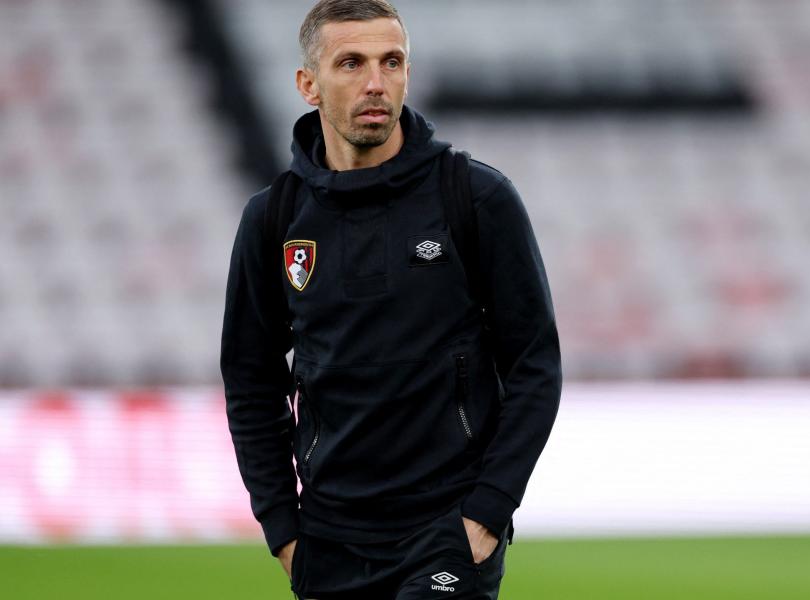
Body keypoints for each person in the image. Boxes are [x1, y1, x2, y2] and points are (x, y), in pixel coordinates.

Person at [220, 1, 561, 598]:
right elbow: (251, 381)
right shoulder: (272, 219)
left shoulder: (475, 197)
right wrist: (282, 530)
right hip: (329, 539)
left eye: (391, 62)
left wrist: (488, 510)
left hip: (445, 529)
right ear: (309, 85)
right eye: (351, 63)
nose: (376, 82)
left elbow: (535, 364)